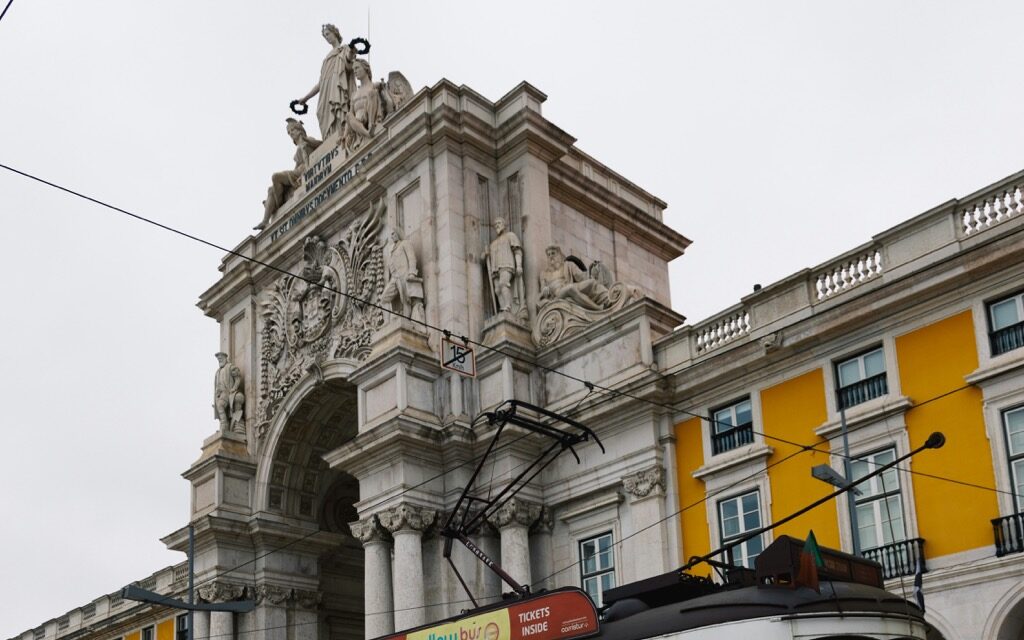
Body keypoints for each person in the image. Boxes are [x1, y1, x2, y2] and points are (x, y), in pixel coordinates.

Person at [255, 119, 322, 231]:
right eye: (289, 132)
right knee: (271, 189)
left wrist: (307, 141)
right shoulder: (298, 149)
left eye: (292, 130)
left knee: (275, 177)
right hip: (297, 173)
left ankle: (276, 205)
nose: (291, 134)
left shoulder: (308, 140)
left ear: (299, 130)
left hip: (303, 171)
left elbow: (322, 143)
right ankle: (265, 221)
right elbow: (295, 168)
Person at [293, 24, 356, 139]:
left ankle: (342, 135)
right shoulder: (326, 60)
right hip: (325, 91)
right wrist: (306, 98)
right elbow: (320, 83)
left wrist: (351, 53)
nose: (327, 38)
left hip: (337, 86)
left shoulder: (344, 49)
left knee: (338, 110)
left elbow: (349, 64)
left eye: (328, 34)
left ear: (334, 33)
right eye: (325, 36)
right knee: (321, 112)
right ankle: (330, 140)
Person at [538, 245, 609, 310]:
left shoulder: (568, 265)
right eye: (549, 254)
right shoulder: (544, 273)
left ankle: (608, 297)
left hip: (571, 286)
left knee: (591, 282)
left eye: (553, 253)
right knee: (570, 288)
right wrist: (544, 289)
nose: (551, 256)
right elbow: (543, 289)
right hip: (557, 295)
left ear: (558, 255)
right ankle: (596, 308)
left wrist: (591, 270)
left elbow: (581, 276)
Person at [483, 218, 523, 313]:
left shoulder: (510, 236)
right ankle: (503, 309)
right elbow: (483, 259)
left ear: (504, 225)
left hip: (507, 264)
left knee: (503, 283)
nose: (497, 225)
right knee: (497, 290)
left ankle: (508, 306)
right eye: (495, 224)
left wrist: (519, 265)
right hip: (495, 269)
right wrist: (485, 254)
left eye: (499, 223)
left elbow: (517, 251)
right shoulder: (493, 244)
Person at [343, 59, 381, 154]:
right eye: (354, 69)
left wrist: (379, 87)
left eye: (357, 68)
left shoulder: (373, 85)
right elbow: (351, 115)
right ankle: (367, 133)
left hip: (369, 116)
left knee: (372, 93)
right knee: (348, 115)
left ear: (366, 69)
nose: (355, 71)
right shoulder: (354, 94)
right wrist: (344, 135)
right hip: (357, 123)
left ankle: (371, 125)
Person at [381, 227, 418, 316]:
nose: (392, 236)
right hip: (394, 278)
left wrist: (412, 273)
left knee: (405, 299)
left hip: (404, 275)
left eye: (393, 233)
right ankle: (387, 322)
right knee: (384, 298)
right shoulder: (392, 249)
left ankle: (407, 319)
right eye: (391, 234)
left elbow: (411, 258)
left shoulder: (405, 243)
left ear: (398, 233)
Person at [214, 352, 245, 434]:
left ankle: (226, 425)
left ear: (225, 358)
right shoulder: (218, 372)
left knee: (221, 405)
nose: (219, 360)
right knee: (220, 406)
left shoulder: (230, 367)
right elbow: (217, 385)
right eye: (218, 359)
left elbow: (238, 378)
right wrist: (217, 393)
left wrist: (234, 388)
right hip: (222, 394)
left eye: (220, 358)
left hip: (229, 392)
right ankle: (224, 425)